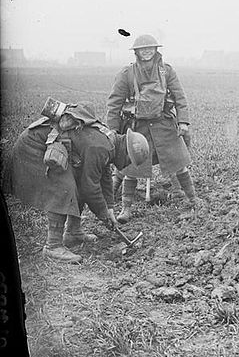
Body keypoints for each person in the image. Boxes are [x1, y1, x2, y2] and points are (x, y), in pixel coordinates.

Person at [8, 100, 149, 263]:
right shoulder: (101, 148)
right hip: (33, 146)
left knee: (76, 181)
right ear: (126, 150)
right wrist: (103, 214)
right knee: (63, 186)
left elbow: (103, 175)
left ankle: (73, 233)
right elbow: (90, 188)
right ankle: (53, 246)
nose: (126, 165)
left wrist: (109, 207)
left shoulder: (110, 142)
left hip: (49, 145)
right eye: (129, 160)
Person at [105, 34, 199, 222]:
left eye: (150, 48)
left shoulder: (167, 71)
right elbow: (114, 104)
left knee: (179, 164)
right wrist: (113, 132)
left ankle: (193, 199)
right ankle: (126, 209)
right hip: (136, 128)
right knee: (131, 169)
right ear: (136, 52)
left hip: (164, 125)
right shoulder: (127, 74)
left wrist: (183, 122)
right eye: (142, 49)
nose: (147, 52)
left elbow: (180, 98)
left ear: (156, 50)